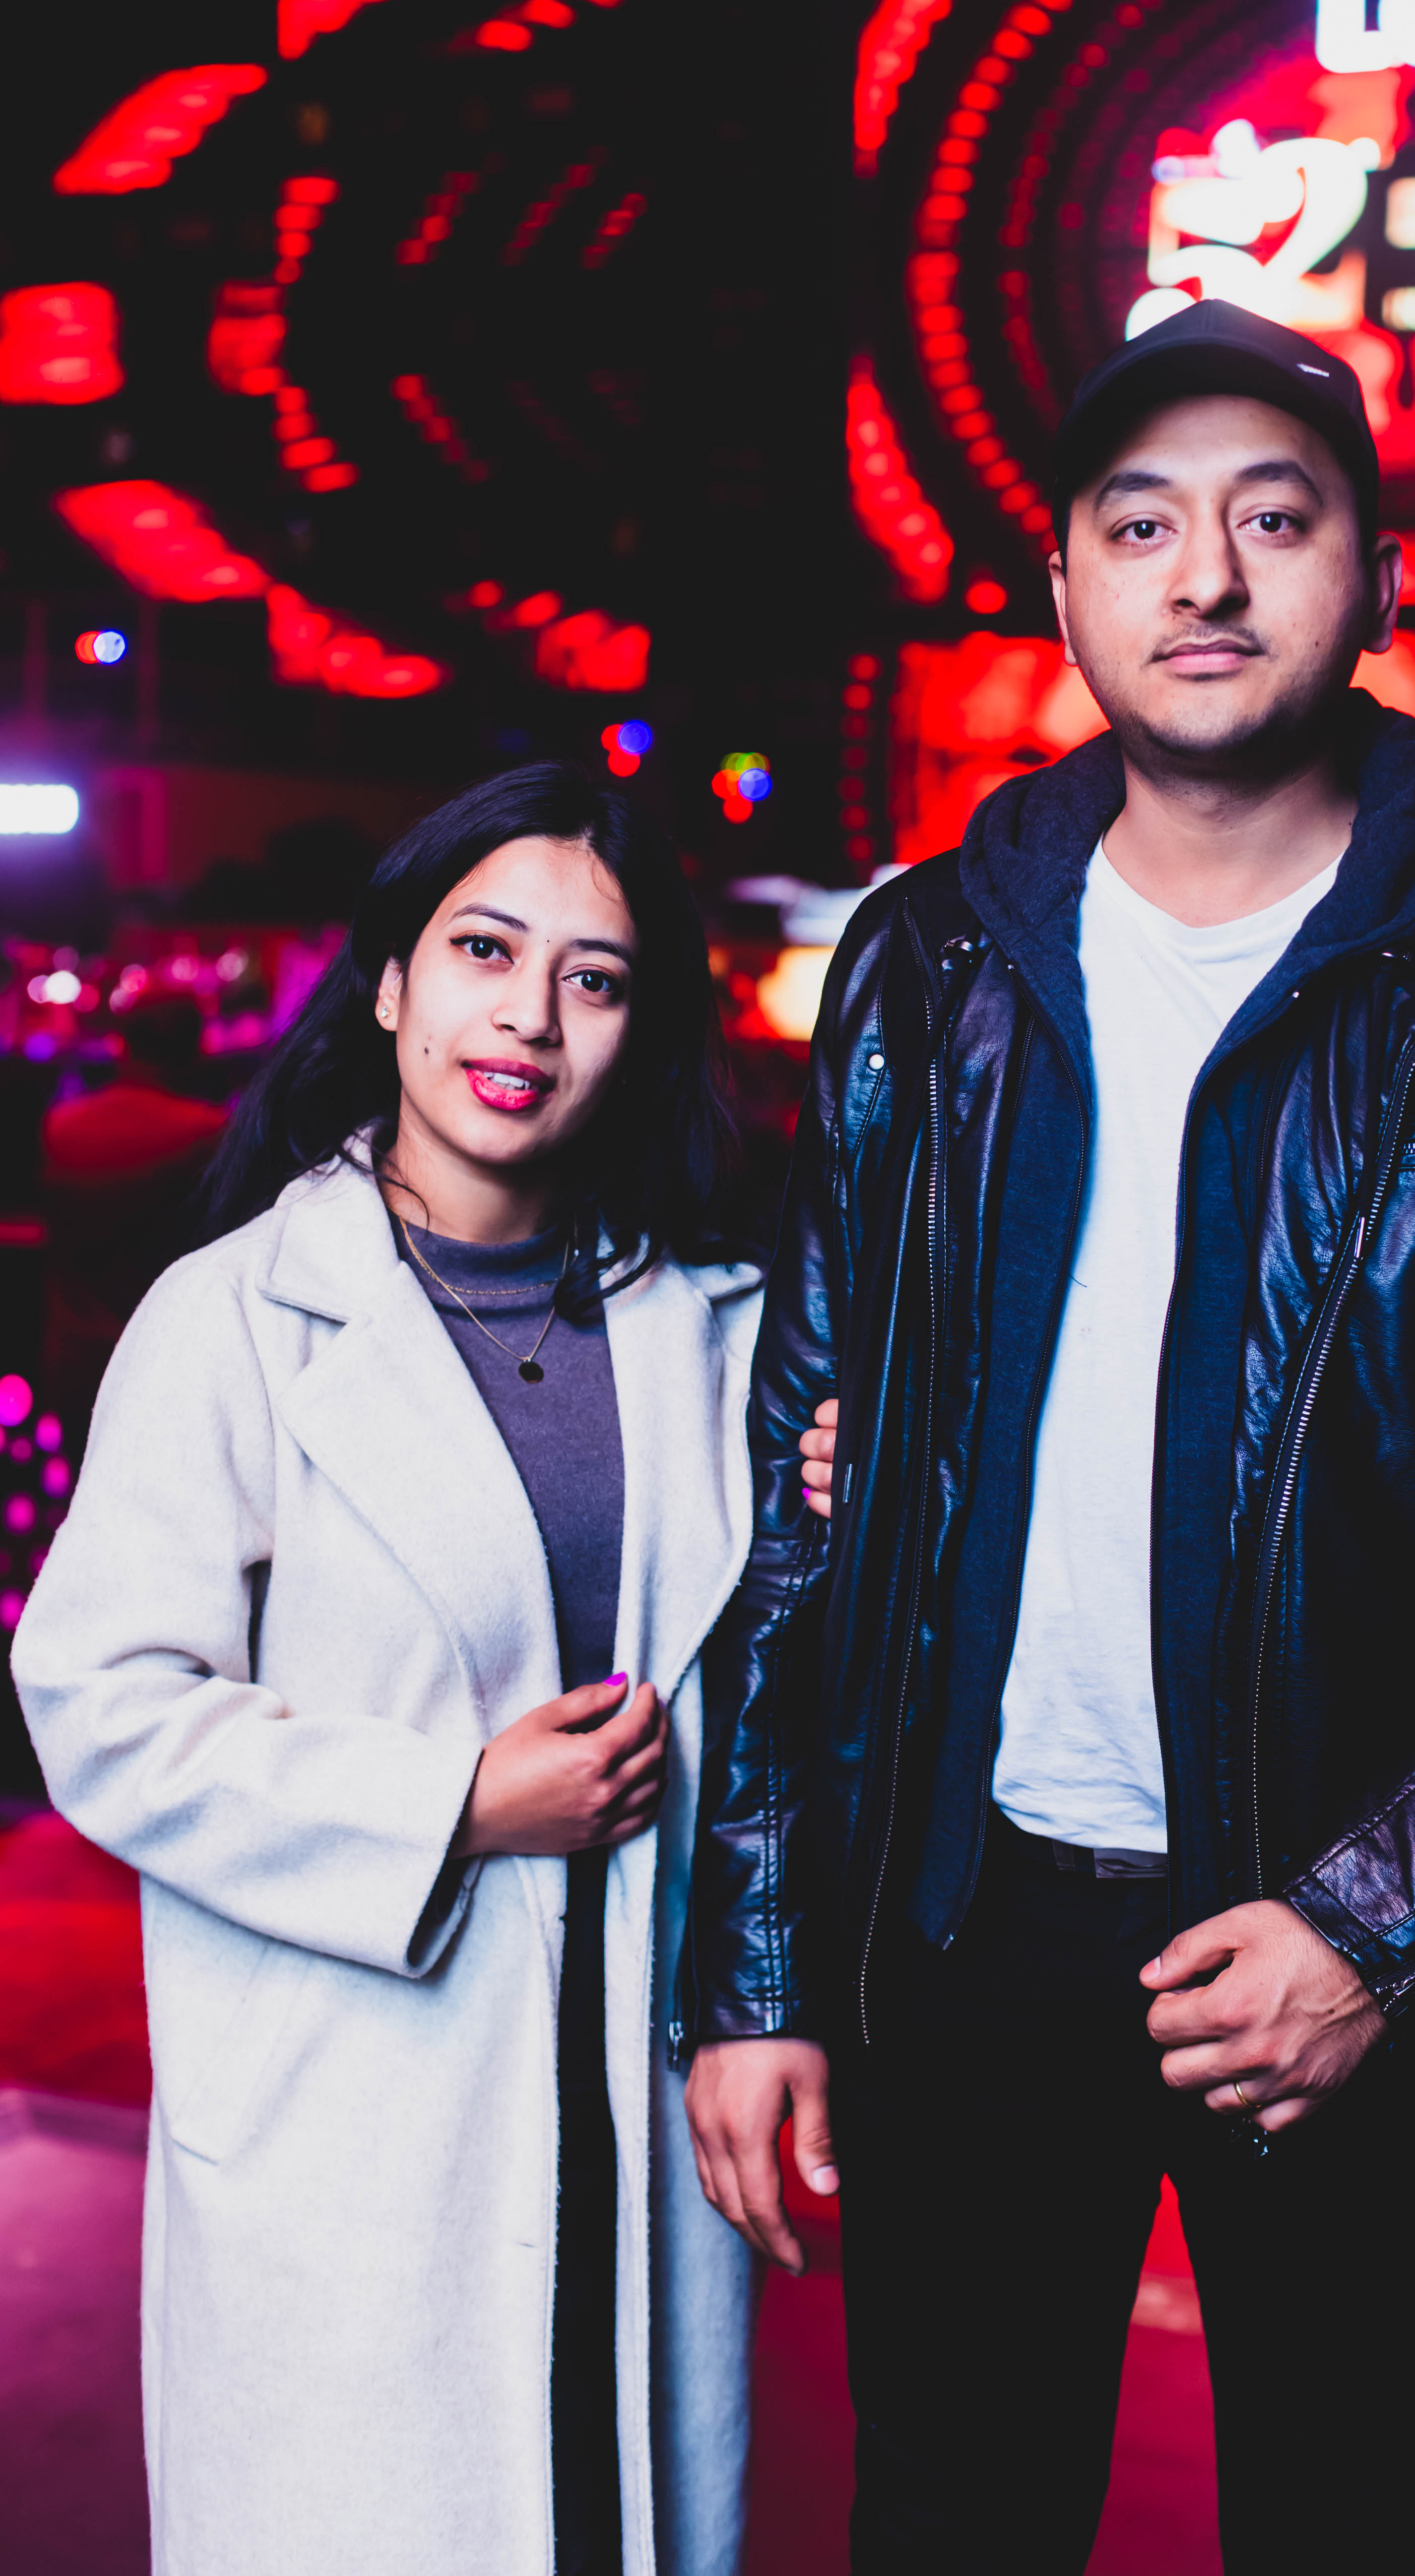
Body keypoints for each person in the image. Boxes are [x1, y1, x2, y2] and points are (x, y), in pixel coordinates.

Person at [679, 299, 1415, 2573]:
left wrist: (1370, 1918)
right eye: (1139, 523)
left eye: (1272, 521)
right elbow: (802, 1493)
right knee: (949, 2525)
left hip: (1339, 1951)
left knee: (1343, 2525)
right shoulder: (926, 967)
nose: (1201, 575)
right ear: (1063, 588)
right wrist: (762, 1957)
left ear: (1373, 582)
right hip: (966, 1931)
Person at [13, 764, 763, 2576]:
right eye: (484, 950)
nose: (529, 1015)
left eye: (594, 976)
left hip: (633, 2103)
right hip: (356, 2111)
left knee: (607, 2515)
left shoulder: (715, 1330)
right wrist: (455, 1803)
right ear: (388, 983)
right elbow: (97, 1698)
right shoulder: (239, 1319)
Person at [39, 989, 226, 1425]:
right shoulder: (212, 1135)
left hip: (72, 1364)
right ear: (197, 1050)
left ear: (122, 1045)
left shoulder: (60, 1128)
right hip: (166, 1373)